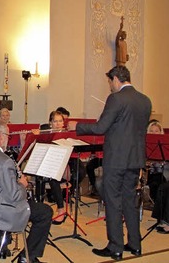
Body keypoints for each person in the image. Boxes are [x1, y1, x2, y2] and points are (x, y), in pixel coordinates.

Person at [68, 65, 151, 259]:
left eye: (109, 82)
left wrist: (77, 126)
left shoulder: (116, 98)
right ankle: (135, 244)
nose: (109, 86)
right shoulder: (145, 100)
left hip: (116, 159)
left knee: (113, 201)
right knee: (129, 200)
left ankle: (115, 247)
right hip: (135, 158)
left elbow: (100, 127)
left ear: (115, 79)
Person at [0, 120, 52, 263]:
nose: (8, 138)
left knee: (1, 193)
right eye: (7, 134)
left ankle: (4, 247)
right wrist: (22, 185)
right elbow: (14, 196)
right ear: (0, 136)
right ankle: (27, 257)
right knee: (45, 212)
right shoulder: (4, 160)